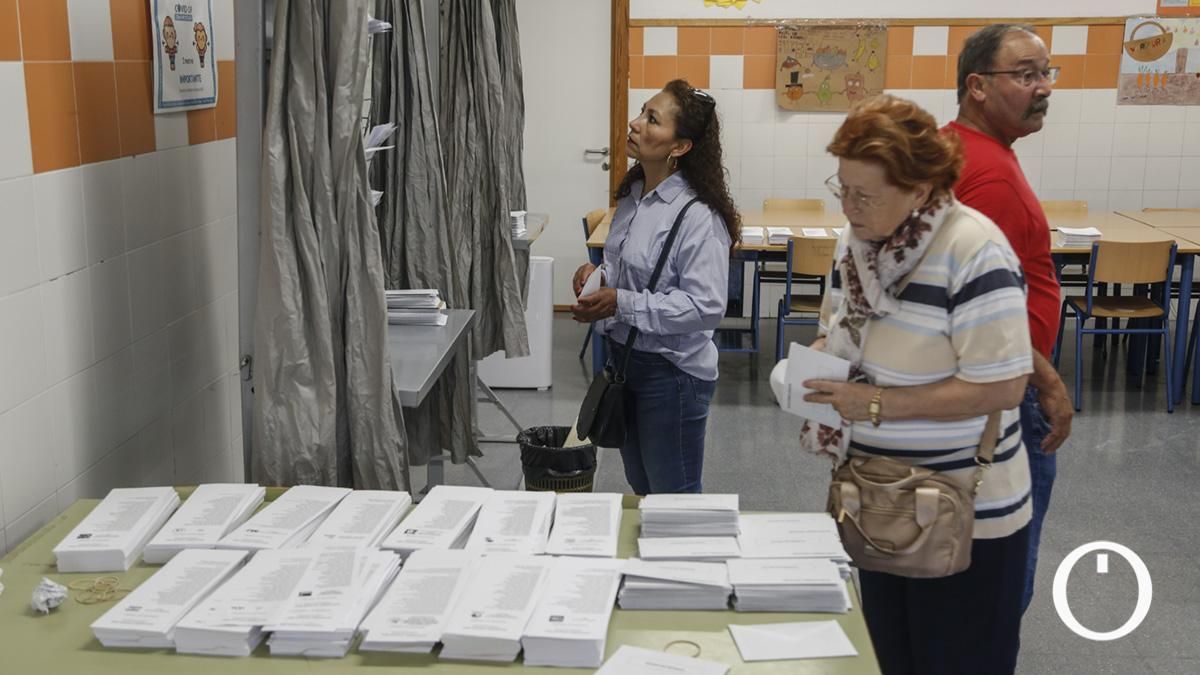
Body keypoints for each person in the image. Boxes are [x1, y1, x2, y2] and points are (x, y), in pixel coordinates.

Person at [801, 95, 1033, 674]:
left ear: (922, 189)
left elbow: (1003, 387)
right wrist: (822, 356)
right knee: (890, 657)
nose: (849, 208)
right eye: (843, 189)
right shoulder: (856, 244)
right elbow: (837, 326)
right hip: (876, 496)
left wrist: (875, 402)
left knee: (956, 659)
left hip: (963, 508)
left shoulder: (973, 249)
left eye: (865, 195)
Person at [945, 23, 1074, 614]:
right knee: (1002, 576)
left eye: (1045, 73)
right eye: (1025, 75)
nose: (1042, 87)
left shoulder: (957, 149)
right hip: (1005, 390)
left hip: (989, 381)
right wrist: (1045, 379)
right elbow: (983, 304)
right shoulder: (990, 175)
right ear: (977, 85)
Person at [570, 79, 737, 495]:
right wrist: (599, 278)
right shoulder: (633, 195)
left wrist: (620, 302)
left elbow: (706, 307)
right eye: (642, 112)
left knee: (674, 496)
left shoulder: (699, 216)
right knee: (642, 485)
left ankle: (683, 562)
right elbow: (623, 266)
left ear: (679, 147)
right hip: (626, 364)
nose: (634, 123)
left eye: (651, 119)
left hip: (672, 375)